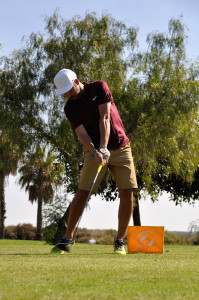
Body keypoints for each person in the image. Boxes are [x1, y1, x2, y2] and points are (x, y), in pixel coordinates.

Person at [51, 69, 138, 255]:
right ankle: (67, 238)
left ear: (77, 81)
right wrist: (96, 150)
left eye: (69, 89)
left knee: (127, 192)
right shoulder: (70, 108)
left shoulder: (99, 87)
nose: (67, 94)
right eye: (64, 92)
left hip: (120, 146)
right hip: (93, 151)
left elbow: (104, 117)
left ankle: (119, 242)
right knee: (82, 193)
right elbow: (81, 134)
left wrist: (104, 146)